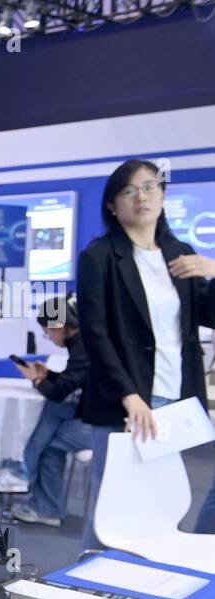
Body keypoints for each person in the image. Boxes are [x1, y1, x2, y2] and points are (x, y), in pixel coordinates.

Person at [78, 158, 215, 549]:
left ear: (164, 195)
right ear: (112, 204)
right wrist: (130, 395)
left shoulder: (180, 253)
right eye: (130, 190)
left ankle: (134, 586)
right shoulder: (100, 257)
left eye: (151, 187)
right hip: (126, 400)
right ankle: (84, 588)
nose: (142, 196)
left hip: (175, 398)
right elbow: (96, 334)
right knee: (113, 505)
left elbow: (209, 315)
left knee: (158, 502)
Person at [0, 295, 92, 527]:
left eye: (47, 332)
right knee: (51, 435)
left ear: (59, 327)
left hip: (102, 422)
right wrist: (48, 375)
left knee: (51, 428)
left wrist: (36, 381)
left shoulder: (83, 346)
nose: (49, 338)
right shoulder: (82, 342)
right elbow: (72, 381)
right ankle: (42, 502)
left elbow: (58, 393)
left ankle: (24, 475)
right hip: (91, 415)